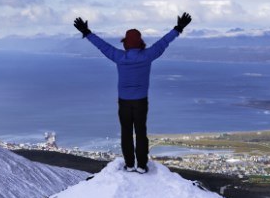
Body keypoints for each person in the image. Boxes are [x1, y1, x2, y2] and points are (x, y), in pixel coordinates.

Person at [74, 13, 192, 174]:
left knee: (126, 133)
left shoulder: (119, 57)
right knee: (141, 133)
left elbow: (102, 45)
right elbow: (163, 42)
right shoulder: (147, 56)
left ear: (126, 44)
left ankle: (129, 164)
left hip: (124, 102)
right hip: (141, 102)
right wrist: (178, 28)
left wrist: (87, 32)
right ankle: (142, 165)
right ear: (140, 42)